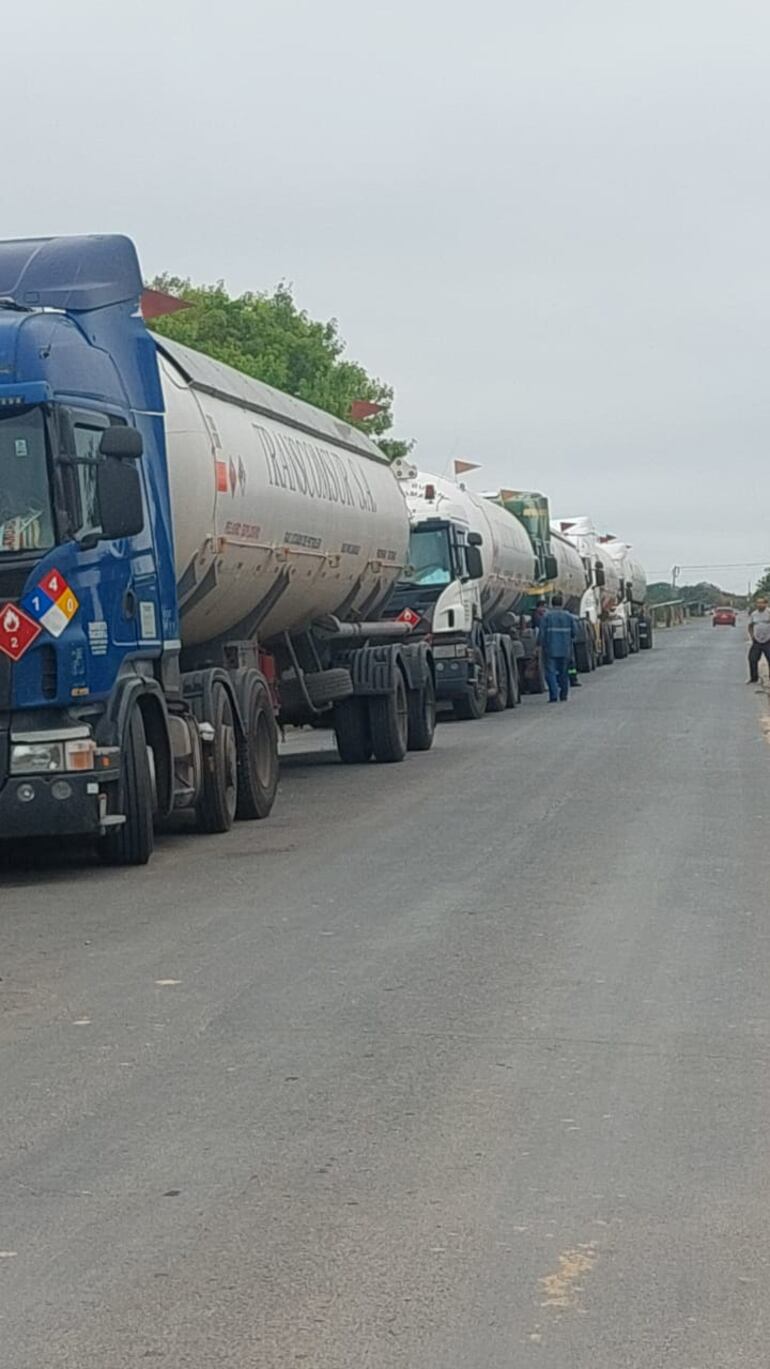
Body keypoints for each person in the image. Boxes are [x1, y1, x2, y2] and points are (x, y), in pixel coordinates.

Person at [537, 593, 579, 703]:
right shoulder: (569, 617)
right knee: (564, 673)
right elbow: (574, 633)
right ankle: (564, 695)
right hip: (565, 649)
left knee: (550, 673)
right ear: (562, 603)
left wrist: (539, 645)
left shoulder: (546, 617)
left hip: (550, 649)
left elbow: (542, 634)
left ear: (552, 604)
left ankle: (554, 695)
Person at [747, 596, 770, 684]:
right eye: (758, 603)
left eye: (762, 603)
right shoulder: (754, 614)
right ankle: (754, 678)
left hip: (768, 640)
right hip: (757, 640)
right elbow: (750, 626)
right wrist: (752, 636)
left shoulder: (768, 613)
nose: (760, 605)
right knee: (752, 658)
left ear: (766, 604)